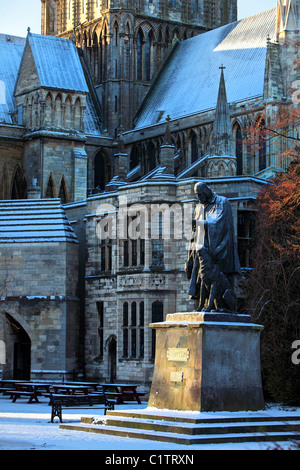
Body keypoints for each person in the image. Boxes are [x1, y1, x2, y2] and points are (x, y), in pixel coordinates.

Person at [185, 182, 241, 312]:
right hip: (201, 252)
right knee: (202, 281)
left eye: (200, 195)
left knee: (217, 281)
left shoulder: (222, 202)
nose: (198, 198)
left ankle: (220, 307)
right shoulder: (198, 208)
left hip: (216, 253)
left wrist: (198, 223)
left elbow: (218, 222)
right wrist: (190, 257)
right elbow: (193, 233)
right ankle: (203, 305)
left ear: (206, 192)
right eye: (197, 195)